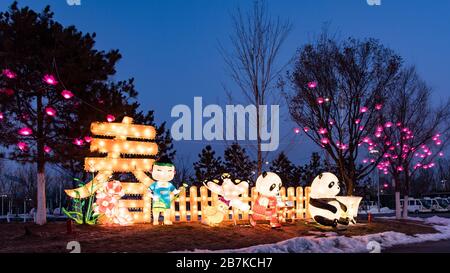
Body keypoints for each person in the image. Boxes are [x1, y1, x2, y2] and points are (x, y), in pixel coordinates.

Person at [148, 157, 179, 225]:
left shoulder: (169, 184)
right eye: (159, 170)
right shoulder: (155, 184)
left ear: (174, 172)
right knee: (156, 211)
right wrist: (152, 196)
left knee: (167, 211)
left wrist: (178, 191)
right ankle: (155, 220)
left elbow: (174, 191)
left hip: (166, 201)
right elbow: (149, 191)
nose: (164, 174)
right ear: (152, 171)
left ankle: (166, 220)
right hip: (157, 201)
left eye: (169, 171)